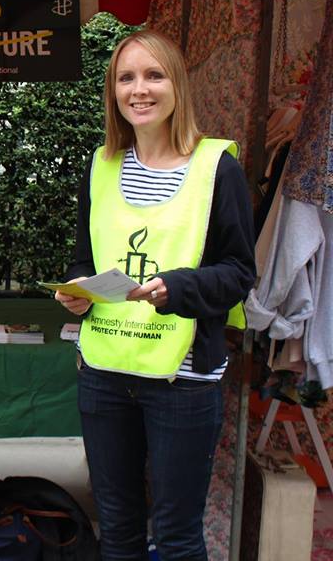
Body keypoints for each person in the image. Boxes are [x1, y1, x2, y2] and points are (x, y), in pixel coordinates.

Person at [55, 30, 255, 561]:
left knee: (176, 536)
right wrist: (80, 291)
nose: (139, 90)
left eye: (153, 75)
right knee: (117, 529)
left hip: (182, 381)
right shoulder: (100, 166)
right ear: (113, 92)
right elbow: (85, 258)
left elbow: (239, 272)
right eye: (126, 78)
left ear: (177, 86)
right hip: (104, 374)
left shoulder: (218, 168)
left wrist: (178, 286)